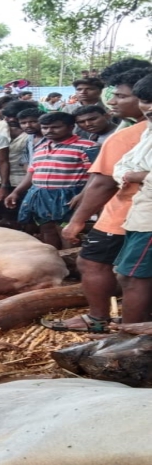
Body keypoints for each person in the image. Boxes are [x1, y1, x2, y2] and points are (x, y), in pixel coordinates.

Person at [47, 68, 150, 332]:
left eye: (120, 95)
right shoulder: (136, 131)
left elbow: (106, 182)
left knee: (113, 269)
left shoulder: (130, 133)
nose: (112, 101)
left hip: (129, 213)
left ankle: (110, 325)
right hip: (132, 210)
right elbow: (115, 173)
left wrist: (77, 220)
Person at [5, 112, 99, 249]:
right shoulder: (41, 147)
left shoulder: (88, 146)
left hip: (69, 196)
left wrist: (82, 195)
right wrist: (16, 192)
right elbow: (32, 172)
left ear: (70, 127)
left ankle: (72, 264)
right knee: (46, 229)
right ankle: (54, 259)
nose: (49, 131)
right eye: (45, 128)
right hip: (40, 195)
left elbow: (95, 174)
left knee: (67, 232)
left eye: (55, 127)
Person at [110, 74, 152, 324]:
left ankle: (129, 338)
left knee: (133, 278)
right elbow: (121, 167)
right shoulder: (148, 131)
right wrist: (136, 174)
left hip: (149, 220)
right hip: (140, 214)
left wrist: (138, 174)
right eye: (146, 102)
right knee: (128, 276)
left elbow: (128, 170)